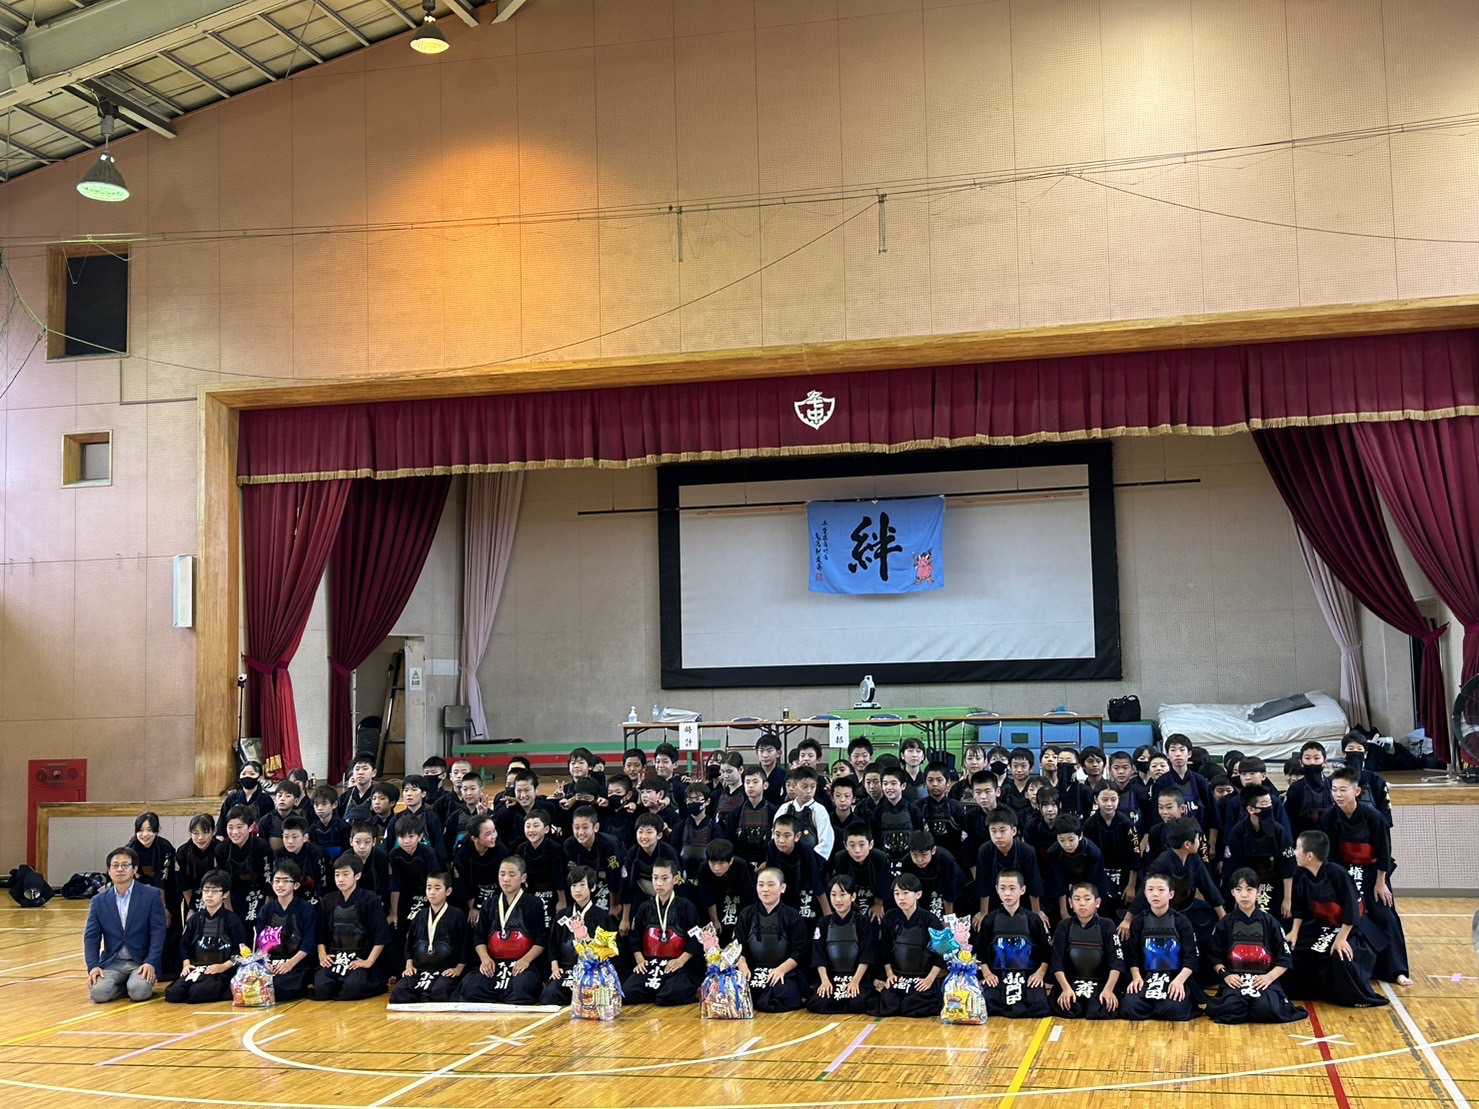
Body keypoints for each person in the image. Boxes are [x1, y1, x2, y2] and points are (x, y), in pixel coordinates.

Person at [1321, 768, 1412, 985]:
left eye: (1343, 790)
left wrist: (1381, 882)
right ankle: (1359, 968)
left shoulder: (1374, 817)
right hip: (1345, 873)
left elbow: (1384, 851)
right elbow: (1330, 855)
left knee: (1385, 915)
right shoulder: (1329, 817)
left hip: (1373, 874)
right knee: (1347, 916)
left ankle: (1397, 970)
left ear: (1357, 791)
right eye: (1334, 790)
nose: (1338, 794)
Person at [1286, 830, 1387, 1007]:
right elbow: (1299, 908)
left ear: (1309, 856)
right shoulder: (1300, 874)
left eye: (1297, 848)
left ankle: (1350, 996)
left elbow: (1353, 909)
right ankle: (1311, 992)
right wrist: (1294, 932)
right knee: (1294, 950)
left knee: (1339, 955)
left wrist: (1341, 939)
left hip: (1350, 928)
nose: (1294, 852)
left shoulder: (1337, 873)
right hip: (1321, 926)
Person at [1204, 868, 1306, 1025]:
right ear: (1232, 893)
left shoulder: (1270, 922)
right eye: (1239, 890)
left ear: (1258, 892)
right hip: (1235, 979)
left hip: (1264, 979)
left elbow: (1284, 958)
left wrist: (1269, 977)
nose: (1244, 895)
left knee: (1266, 1009)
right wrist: (1226, 975)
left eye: (1249, 889)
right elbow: (1214, 956)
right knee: (1232, 1009)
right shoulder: (1224, 923)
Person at [460, 856, 548, 1005]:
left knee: (522, 988)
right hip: (494, 964)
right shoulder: (489, 903)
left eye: (512, 874)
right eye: (502, 874)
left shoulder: (534, 903)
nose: (506, 879)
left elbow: (541, 940)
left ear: (523, 878)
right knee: (471, 986)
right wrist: (485, 959)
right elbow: (479, 937)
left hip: (521, 963)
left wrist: (526, 960)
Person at [84, 846, 168, 1003]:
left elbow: (158, 933)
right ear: (109, 871)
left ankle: (132, 986)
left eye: (125, 865)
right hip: (113, 962)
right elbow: (91, 937)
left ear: (134, 869)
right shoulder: (98, 901)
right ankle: (124, 987)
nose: (120, 869)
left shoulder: (151, 895)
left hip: (141, 962)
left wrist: (151, 962)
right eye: (115, 865)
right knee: (98, 994)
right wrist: (93, 966)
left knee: (139, 992)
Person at [1121, 872, 1203, 1022]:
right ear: (1145, 893)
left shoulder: (1181, 921)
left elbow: (1192, 957)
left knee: (1173, 1009)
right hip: (1147, 976)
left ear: (1171, 894)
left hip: (1174, 976)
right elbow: (1132, 955)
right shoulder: (1139, 921)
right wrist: (1136, 977)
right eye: (1150, 889)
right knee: (1130, 1007)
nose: (1155, 894)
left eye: (1160, 890)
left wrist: (1179, 981)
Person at [622, 859, 703, 1006]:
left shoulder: (686, 907)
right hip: (651, 963)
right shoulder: (645, 908)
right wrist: (640, 959)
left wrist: (681, 961)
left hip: (676, 963)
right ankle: (655, 990)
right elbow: (634, 937)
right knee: (627, 993)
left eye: (664, 878)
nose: (659, 883)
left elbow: (696, 939)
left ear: (675, 879)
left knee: (668, 996)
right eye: (655, 878)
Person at [314, 854, 392, 1001]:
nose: (340, 879)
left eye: (345, 874)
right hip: (336, 957)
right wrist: (322, 954)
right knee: (321, 988)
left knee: (352, 988)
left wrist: (368, 961)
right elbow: (321, 933)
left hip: (361, 956)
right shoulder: (328, 900)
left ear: (357, 876)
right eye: (337, 875)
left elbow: (381, 935)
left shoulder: (370, 899)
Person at [976, 870, 1052, 1017]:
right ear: (997, 889)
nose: (1007, 893)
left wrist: (1040, 974)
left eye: (1012, 888)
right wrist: (987, 973)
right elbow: (981, 952)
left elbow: (1046, 953)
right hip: (998, 975)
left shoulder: (1033, 919)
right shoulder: (990, 920)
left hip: (1028, 976)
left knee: (1039, 1006)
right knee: (989, 1004)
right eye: (1003, 888)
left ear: (1022, 890)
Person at [540, 865, 618, 1006]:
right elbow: (552, 944)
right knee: (548, 996)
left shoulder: (603, 917)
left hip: (593, 971)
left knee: (592, 999)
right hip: (568, 970)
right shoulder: (562, 915)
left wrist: (587, 939)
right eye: (574, 885)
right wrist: (555, 967)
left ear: (592, 887)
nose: (577, 890)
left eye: (582, 885)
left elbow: (609, 951)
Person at [164, 870, 246, 1003]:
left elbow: (241, 950)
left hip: (221, 970)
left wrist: (223, 967)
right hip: (198, 968)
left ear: (225, 894)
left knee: (197, 993)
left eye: (214, 891)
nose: (209, 895)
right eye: (206, 890)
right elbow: (184, 945)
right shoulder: (194, 919)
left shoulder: (232, 920)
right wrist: (186, 964)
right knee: (173, 994)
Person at [735, 867, 809, 1012]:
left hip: (783, 970)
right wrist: (742, 964)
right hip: (753, 969)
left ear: (782, 888)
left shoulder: (792, 915)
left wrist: (781, 969)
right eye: (761, 885)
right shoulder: (746, 914)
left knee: (782, 993)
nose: (765, 890)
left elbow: (800, 950)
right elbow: (738, 945)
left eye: (770, 884)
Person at [390, 872, 468, 1004]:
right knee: (399, 992)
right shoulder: (420, 915)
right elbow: (409, 943)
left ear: (448, 891)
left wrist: (458, 969)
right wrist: (409, 965)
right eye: (429, 887)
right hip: (421, 970)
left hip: (445, 970)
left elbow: (465, 944)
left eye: (437, 888)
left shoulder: (457, 915)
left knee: (440, 992)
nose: (432, 892)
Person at [873, 873, 944, 1017]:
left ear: (918, 894)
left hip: (922, 976)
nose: (901, 898)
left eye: (905, 893)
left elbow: (942, 952)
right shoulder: (890, 917)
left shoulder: (931, 920)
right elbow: (884, 949)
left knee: (914, 1005)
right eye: (897, 893)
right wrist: (890, 974)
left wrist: (929, 979)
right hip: (899, 976)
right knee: (890, 1004)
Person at [1050, 881, 1124, 1019]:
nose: (1082, 903)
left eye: (1087, 899)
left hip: (1100, 982)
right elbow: (1056, 962)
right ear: (1070, 903)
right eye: (1077, 899)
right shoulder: (1064, 925)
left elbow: (1117, 961)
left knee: (1101, 1010)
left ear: (1097, 903)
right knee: (1069, 1007)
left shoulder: (1107, 925)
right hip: (1071, 982)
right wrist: (1065, 989)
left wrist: (1109, 990)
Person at [1221, 785, 1295, 919]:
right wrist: (1239, 897)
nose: (1269, 807)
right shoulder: (1237, 833)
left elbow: (1288, 867)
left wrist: (1287, 899)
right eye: (1264, 804)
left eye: (1270, 803)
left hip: (1274, 883)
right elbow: (1233, 868)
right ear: (1251, 809)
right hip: (1247, 884)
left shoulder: (1279, 831)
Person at [809, 875, 877, 1014]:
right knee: (819, 1002)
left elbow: (866, 955)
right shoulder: (823, 923)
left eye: (842, 894)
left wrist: (855, 981)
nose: (838, 900)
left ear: (853, 897)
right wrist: (825, 981)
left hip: (856, 977)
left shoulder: (862, 922)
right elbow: (819, 955)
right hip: (832, 977)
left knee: (859, 1002)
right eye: (833, 895)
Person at [256, 860, 317, 1001]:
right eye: (277, 881)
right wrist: (265, 963)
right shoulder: (266, 909)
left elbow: (309, 943)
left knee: (279, 988)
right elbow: (260, 942)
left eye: (285, 881)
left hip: (297, 963)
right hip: (271, 963)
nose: (280, 885)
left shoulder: (306, 909)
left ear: (296, 885)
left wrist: (290, 963)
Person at [974, 808, 1045, 925]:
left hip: (1022, 897)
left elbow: (1034, 883)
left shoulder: (1027, 851)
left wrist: (1036, 913)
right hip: (995, 896)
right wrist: (983, 912)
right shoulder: (985, 850)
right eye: (993, 831)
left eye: (1002, 830)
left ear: (1013, 831)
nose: (998, 836)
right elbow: (983, 883)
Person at [387, 814, 440, 967]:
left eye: (411, 836)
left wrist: (434, 907)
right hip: (404, 896)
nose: (406, 841)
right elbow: (395, 885)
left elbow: (435, 880)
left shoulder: (428, 852)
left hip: (427, 895)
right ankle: (400, 968)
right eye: (402, 837)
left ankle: (424, 965)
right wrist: (394, 912)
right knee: (398, 927)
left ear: (420, 836)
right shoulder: (394, 855)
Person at [1043, 814, 1112, 924]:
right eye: (1062, 840)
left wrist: (1089, 910)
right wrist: (1063, 912)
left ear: (1080, 836)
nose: (1067, 845)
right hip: (1067, 886)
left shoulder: (1093, 853)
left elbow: (1093, 883)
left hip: (1091, 884)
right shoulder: (1053, 853)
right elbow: (1058, 883)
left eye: (1071, 840)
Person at [1083, 785, 1137, 917]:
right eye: (1104, 799)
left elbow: (1135, 856)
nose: (1109, 804)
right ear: (1096, 800)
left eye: (1113, 799)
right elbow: (1087, 858)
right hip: (1099, 875)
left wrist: (1131, 886)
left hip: (1123, 876)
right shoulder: (1089, 824)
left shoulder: (1127, 824)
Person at [563, 804, 623, 916]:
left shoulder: (610, 845)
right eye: (577, 828)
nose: (580, 832)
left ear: (596, 827)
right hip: (586, 881)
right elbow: (572, 874)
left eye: (585, 827)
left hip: (609, 883)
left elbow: (615, 876)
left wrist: (614, 905)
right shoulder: (569, 845)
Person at [827, 822, 893, 921]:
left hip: (875, 895)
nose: (857, 850)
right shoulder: (840, 858)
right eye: (852, 845)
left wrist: (878, 904)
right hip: (851, 897)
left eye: (862, 845)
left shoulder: (880, 858)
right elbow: (842, 883)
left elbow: (884, 883)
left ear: (870, 844)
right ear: (845, 845)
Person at [220, 805, 271, 928]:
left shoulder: (262, 846)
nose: (234, 832)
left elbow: (268, 878)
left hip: (258, 892)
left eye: (239, 827)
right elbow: (222, 882)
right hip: (233, 895)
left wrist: (267, 909)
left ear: (251, 827)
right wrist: (228, 909)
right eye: (230, 827)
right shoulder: (221, 849)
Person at [694, 839, 755, 942]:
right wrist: (715, 920)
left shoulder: (741, 866)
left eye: (721, 863)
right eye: (713, 863)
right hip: (716, 897)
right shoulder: (704, 868)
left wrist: (741, 924)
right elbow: (707, 896)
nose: (716, 868)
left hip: (736, 897)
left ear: (730, 861)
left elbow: (747, 896)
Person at [454, 814, 508, 922]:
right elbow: (462, 883)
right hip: (470, 895)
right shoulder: (463, 853)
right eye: (488, 834)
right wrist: (473, 907)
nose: (494, 836)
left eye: (494, 831)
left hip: (494, 892)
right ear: (474, 838)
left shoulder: (501, 851)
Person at [517, 809, 568, 921]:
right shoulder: (521, 849)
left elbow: (559, 877)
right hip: (530, 891)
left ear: (546, 829)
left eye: (536, 826)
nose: (531, 830)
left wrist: (562, 901)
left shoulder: (555, 848)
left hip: (551, 892)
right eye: (528, 826)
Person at [774, 767, 835, 861]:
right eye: (805, 786)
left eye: (813, 787)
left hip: (811, 860)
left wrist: (811, 860)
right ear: (795, 786)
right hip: (784, 859)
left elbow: (826, 842)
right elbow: (775, 835)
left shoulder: (819, 810)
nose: (809, 791)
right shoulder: (784, 808)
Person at [901, 830, 964, 919]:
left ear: (933, 850)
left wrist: (948, 918)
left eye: (924, 855)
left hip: (948, 887)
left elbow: (950, 891)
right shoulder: (906, 862)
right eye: (915, 855)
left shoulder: (946, 859)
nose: (919, 860)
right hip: (923, 889)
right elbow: (909, 890)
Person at [388, 776, 448, 867]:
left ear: (423, 793)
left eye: (414, 790)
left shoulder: (431, 817)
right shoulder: (396, 818)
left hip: (427, 865)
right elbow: (389, 845)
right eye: (406, 790)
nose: (409, 794)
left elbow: (439, 847)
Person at [723, 766, 775, 865]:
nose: (750, 786)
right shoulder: (735, 814)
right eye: (747, 782)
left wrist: (767, 861)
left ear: (765, 785)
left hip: (767, 863)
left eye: (755, 782)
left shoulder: (774, 812)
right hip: (740, 863)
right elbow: (729, 843)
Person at [175, 814, 222, 922]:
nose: (200, 837)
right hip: (193, 896)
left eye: (205, 832)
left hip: (218, 895)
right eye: (196, 833)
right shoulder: (183, 852)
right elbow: (183, 883)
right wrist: (191, 908)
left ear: (213, 831)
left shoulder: (221, 849)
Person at [871, 766, 920, 869]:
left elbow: (919, 835)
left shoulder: (913, 810)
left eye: (893, 783)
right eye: (885, 784)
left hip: (909, 861)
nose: (889, 787)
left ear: (903, 786)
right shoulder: (877, 812)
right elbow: (874, 838)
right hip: (884, 862)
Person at [275, 815, 329, 906]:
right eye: (286, 837)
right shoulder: (279, 854)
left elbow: (322, 883)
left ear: (305, 838)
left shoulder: (317, 853)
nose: (290, 841)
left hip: (311, 896)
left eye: (294, 837)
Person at [672, 782, 723, 878]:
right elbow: (674, 852)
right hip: (684, 875)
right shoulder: (679, 827)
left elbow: (718, 854)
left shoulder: (715, 827)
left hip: (708, 876)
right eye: (690, 799)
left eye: (697, 799)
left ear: (707, 801)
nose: (693, 802)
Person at [1285, 741, 1335, 834]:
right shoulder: (1295, 788)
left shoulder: (1332, 785)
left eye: (1316, 758)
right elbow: (1289, 818)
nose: (1312, 762)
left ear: (1324, 762)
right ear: (1301, 762)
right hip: (1302, 836)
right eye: (1307, 758)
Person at [1341, 734, 1392, 820]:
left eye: (1359, 749)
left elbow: (1385, 814)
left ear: (1365, 754)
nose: (1355, 752)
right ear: (1344, 754)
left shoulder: (1376, 780)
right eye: (1351, 749)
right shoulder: (1334, 780)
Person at [216, 761, 272, 836]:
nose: (247, 776)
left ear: (260, 777)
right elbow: (222, 820)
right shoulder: (232, 798)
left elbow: (269, 823)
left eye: (252, 774)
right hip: (233, 836)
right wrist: (219, 836)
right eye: (244, 774)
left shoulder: (266, 799)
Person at [257, 780, 302, 852]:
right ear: (275, 799)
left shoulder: (300, 821)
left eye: (288, 796)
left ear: (296, 801)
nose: (282, 799)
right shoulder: (266, 820)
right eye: (279, 795)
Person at [308, 786, 349, 861]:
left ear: (334, 804)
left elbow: (347, 852)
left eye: (324, 804)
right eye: (316, 804)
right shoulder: (312, 829)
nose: (319, 808)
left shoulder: (344, 827)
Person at [756, 732, 787, 806]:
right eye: (761, 751)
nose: (765, 755)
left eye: (769, 751)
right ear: (757, 753)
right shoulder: (751, 774)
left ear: (779, 753)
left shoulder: (785, 775)